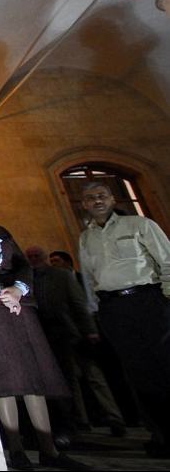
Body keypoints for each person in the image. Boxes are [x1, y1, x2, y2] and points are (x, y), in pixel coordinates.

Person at [0, 183, 86, 471]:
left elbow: (22, 262)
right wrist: (0, 292)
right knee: (5, 375)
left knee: (34, 374)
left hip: (21, 305)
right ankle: (16, 448)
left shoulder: (1, 231)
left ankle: (49, 449)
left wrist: (19, 289)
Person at [77, 181, 170, 458]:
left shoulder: (139, 224)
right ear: (84, 204)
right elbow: (89, 277)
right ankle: (162, 435)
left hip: (150, 301)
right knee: (140, 374)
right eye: (90, 198)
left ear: (113, 198)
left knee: (166, 365)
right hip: (114, 309)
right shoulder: (86, 237)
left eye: (101, 195)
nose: (97, 200)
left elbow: (166, 259)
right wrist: (96, 312)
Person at [26, 246, 126, 439]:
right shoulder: (27, 279)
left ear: (44, 257)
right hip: (49, 335)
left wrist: (90, 330)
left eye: (37, 256)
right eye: (30, 257)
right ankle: (80, 420)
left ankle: (115, 418)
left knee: (93, 376)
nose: (34, 259)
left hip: (72, 332)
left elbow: (78, 303)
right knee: (67, 378)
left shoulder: (62, 276)